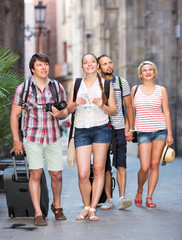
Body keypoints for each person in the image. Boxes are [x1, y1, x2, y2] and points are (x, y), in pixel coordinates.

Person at [10, 53, 68, 226]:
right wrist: (16, 140)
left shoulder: (57, 87)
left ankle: (57, 206)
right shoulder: (23, 88)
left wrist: (61, 114)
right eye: (40, 65)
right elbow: (14, 116)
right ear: (32, 69)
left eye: (46, 64)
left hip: (53, 137)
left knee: (56, 174)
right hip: (32, 137)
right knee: (36, 173)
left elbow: (65, 112)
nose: (44, 68)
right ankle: (38, 213)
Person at [67, 53, 116, 221]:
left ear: (97, 65)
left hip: (101, 128)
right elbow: (68, 109)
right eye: (85, 62)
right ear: (82, 67)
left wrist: (102, 105)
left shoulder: (106, 84)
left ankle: (93, 208)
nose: (89, 65)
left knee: (99, 169)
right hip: (81, 130)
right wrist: (75, 104)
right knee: (83, 174)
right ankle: (85, 206)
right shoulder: (76, 83)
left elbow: (114, 111)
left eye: (92, 62)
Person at [132, 60, 174, 208]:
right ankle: (139, 190)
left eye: (151, 69)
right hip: (143, 131)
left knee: (155, 164)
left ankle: (149, 197)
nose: (148, 72)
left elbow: (166, 112)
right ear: (140, 74)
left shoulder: (161, 90)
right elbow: (131, 113)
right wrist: (129, 129)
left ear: (154, 73)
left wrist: (169, 133)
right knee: (144, 167)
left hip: (160, 131)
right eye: (145, 70)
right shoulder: (135, 90)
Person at [98, 55, 134, 210]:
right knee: (105, 166)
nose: (109, 66)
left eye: (110, 62)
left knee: (121, 164)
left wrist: (130, 128)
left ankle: (122, 198)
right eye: (105, 64)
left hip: (119, 127)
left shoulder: (121, 82)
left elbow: (129, 107)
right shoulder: (97, 84)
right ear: (99, 68)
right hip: (101, 128)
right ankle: (109, 199)